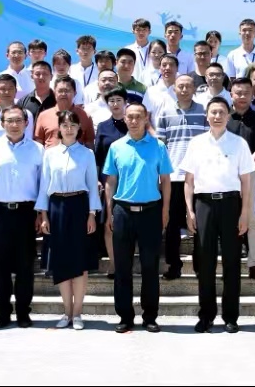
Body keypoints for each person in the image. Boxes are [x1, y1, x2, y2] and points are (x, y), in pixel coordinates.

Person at [180, 97, 255, 333]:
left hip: (231, 204)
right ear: (207, 115)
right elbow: (189, 181)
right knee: (205, 262)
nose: (217, 116)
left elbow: (246, 182)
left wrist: (244, 213)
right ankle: (206, 315)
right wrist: (189, 210)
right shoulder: (196, 143)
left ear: (228, 115)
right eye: (213, 112)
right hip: (204, 205)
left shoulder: (239, 143)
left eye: (221, 112)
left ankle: (231, 316)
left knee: (232, 262)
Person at [104, 102, 173, 334]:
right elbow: (110, 182)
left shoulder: (158, 146)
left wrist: (165, 211)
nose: (133, 121)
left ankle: (150, 316)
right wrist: (110, 211)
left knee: (150, 267)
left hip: (151, 212)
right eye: (130, 117)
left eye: (138, 117)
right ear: (124, 119)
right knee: (122, 267)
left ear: (146, 119)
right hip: (123, 211)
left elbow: (165, 181)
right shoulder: (116, 147)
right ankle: (125, 316)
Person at [0, 105, 44, 329]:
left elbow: (43, 184)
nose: (14, 125)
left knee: (25, 265)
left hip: (26, 212)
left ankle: (23, 312)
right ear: (2, 123)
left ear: (26, 123)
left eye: (18, 120)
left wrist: (40, 212)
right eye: (9, 121)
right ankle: (3, 311)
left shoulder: (37, 149)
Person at [37, 110, 101, 330]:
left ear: (78, 128)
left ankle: (78, 312)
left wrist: (92, 214)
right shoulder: (49, 154)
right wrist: (43, 215)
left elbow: (92, 185)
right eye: (65, 125)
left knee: (80, 262)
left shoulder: (87, 154)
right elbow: (44, 185)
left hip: (79, 206)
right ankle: (66, 312)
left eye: (73, 125)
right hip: (56, 208)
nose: (69, 129)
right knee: (61, 261)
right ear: (59, 128)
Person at [155, 75, 208, 280]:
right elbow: (160, 145)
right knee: (172, 225)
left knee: (200, 224)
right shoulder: (165, 112)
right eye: (180, 86)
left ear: (194, 89)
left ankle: (200, 266)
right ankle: (173, 266)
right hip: (174, 176)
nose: (184, 89)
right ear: (174, 89)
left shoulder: (204, 111)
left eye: (188, 86)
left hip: (200, 177)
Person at [227, 78, 255, 281]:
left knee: (253, 219)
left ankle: (254, 264)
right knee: (230, 220)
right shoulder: (225, 118)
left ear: (252, 94)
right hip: (227, 174)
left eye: (246, 92)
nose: (242, 96)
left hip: (252, 172)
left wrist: (246, 164)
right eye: (238, 92)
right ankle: (231, 266)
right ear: (231, 95)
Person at [94, 87, 131, 278]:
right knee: (109, 222)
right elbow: (98, 156)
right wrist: (97, 179)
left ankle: (127, 262)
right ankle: (114, 264)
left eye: (119, 100)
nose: (115, 104)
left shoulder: (132, 124)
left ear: (125, 102)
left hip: (131, 180)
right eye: (111, 101)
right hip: (109, 180)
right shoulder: (103, 127)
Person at [33, 76, 95, 149]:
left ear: (75, 93)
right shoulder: (43, 116)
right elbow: (38, 144)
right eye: (60, 91)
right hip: (50, 155)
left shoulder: (85, 116)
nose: (63, 94)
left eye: (67, 91)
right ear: (54, 93)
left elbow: (89, 143)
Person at [0, 74, 36, 142]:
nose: (7, 92)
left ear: (15, 91)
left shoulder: (26, 114)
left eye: (10, 88)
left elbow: (28, 140)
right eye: (2, 89)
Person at [143, 53, 180, 121]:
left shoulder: (182, 91)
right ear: (159, 68)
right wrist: (152, 129)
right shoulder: (151, 91)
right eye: (164, 65)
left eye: (171, 65)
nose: (167, 68)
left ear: (177, 68)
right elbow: (145, 118)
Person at [70, 35, 101, 103]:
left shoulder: (99, 71)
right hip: (74, 106)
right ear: (77, 51)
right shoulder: (70, 70)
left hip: (93, 106)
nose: (85, 51)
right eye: (83, 48)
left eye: (89, 48)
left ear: (94, 51)